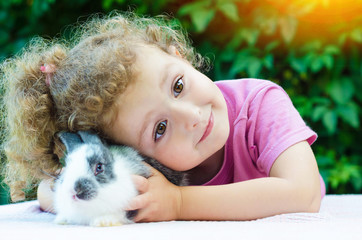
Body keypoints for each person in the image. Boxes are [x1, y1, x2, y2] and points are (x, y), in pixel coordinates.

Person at [0, 12, 325, 222]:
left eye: (178, 85)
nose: (190, 117)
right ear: (128, 154)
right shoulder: (149, 170)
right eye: (159, 129)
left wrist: (180, 202)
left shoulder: (260, 104)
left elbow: (304, 193)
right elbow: (50, 190)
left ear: (178, 56)